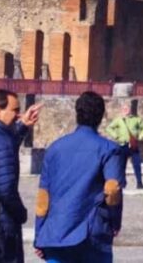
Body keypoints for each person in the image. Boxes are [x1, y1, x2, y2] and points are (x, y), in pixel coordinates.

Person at [33, 90, 123, 263]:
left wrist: (40, 235)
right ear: (101, 116)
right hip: (91, 233)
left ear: (77, 113)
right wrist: (114, 221)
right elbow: (112, 189)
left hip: (56, 232)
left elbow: (43, 198)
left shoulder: (54, 148)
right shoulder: (109, 149)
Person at [0, 89, 40, 263]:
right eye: (14, 110)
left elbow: (2, 156)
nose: (18, 115)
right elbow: (5, 189)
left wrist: (22, 127)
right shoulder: (1, 142)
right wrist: (20, 213)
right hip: (1, 224)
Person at [105, 104, 143, 190]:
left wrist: (140, 137)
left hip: (133, 144)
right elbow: (109, 128)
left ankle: (139, 183)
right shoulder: (118, 120)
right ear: (121, 110)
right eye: (124, 108)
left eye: (127, 108)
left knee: (137, 164)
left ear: (130, 110)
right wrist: (116, 136)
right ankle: (122, 183)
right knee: (121, 165)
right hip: (122, 144)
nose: (126, 110)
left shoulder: (136, 119)